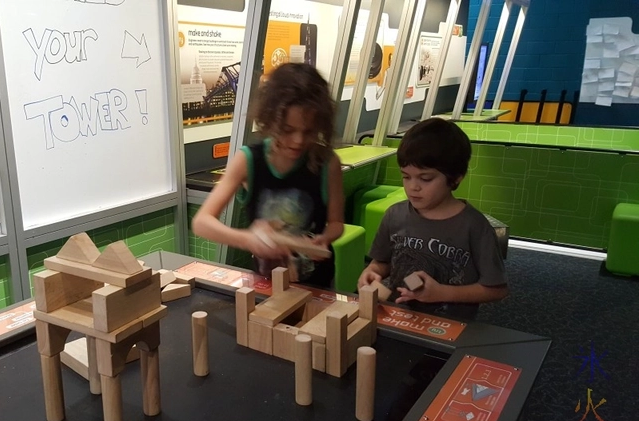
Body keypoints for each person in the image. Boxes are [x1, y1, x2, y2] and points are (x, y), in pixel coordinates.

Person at [192, 63, 344, 288]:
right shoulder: (249, 160)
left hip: (317, 283)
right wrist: (247, 239)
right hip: (265, 283)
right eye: (287, 130)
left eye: (309, 131)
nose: (298, 140)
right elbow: (201, 223)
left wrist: (325, 238)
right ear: (270, 120)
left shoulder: (328, 164)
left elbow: (336, 223)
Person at [357, 118, 507, 320]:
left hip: (448, 328)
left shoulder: (475, 226)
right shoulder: (395, 215)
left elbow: (496, 289)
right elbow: (381, 262)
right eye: (406, 176)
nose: (413, 187)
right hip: (398, 318)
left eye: (425, 178)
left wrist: (442, 293)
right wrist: (372, 272)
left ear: (456, 177)